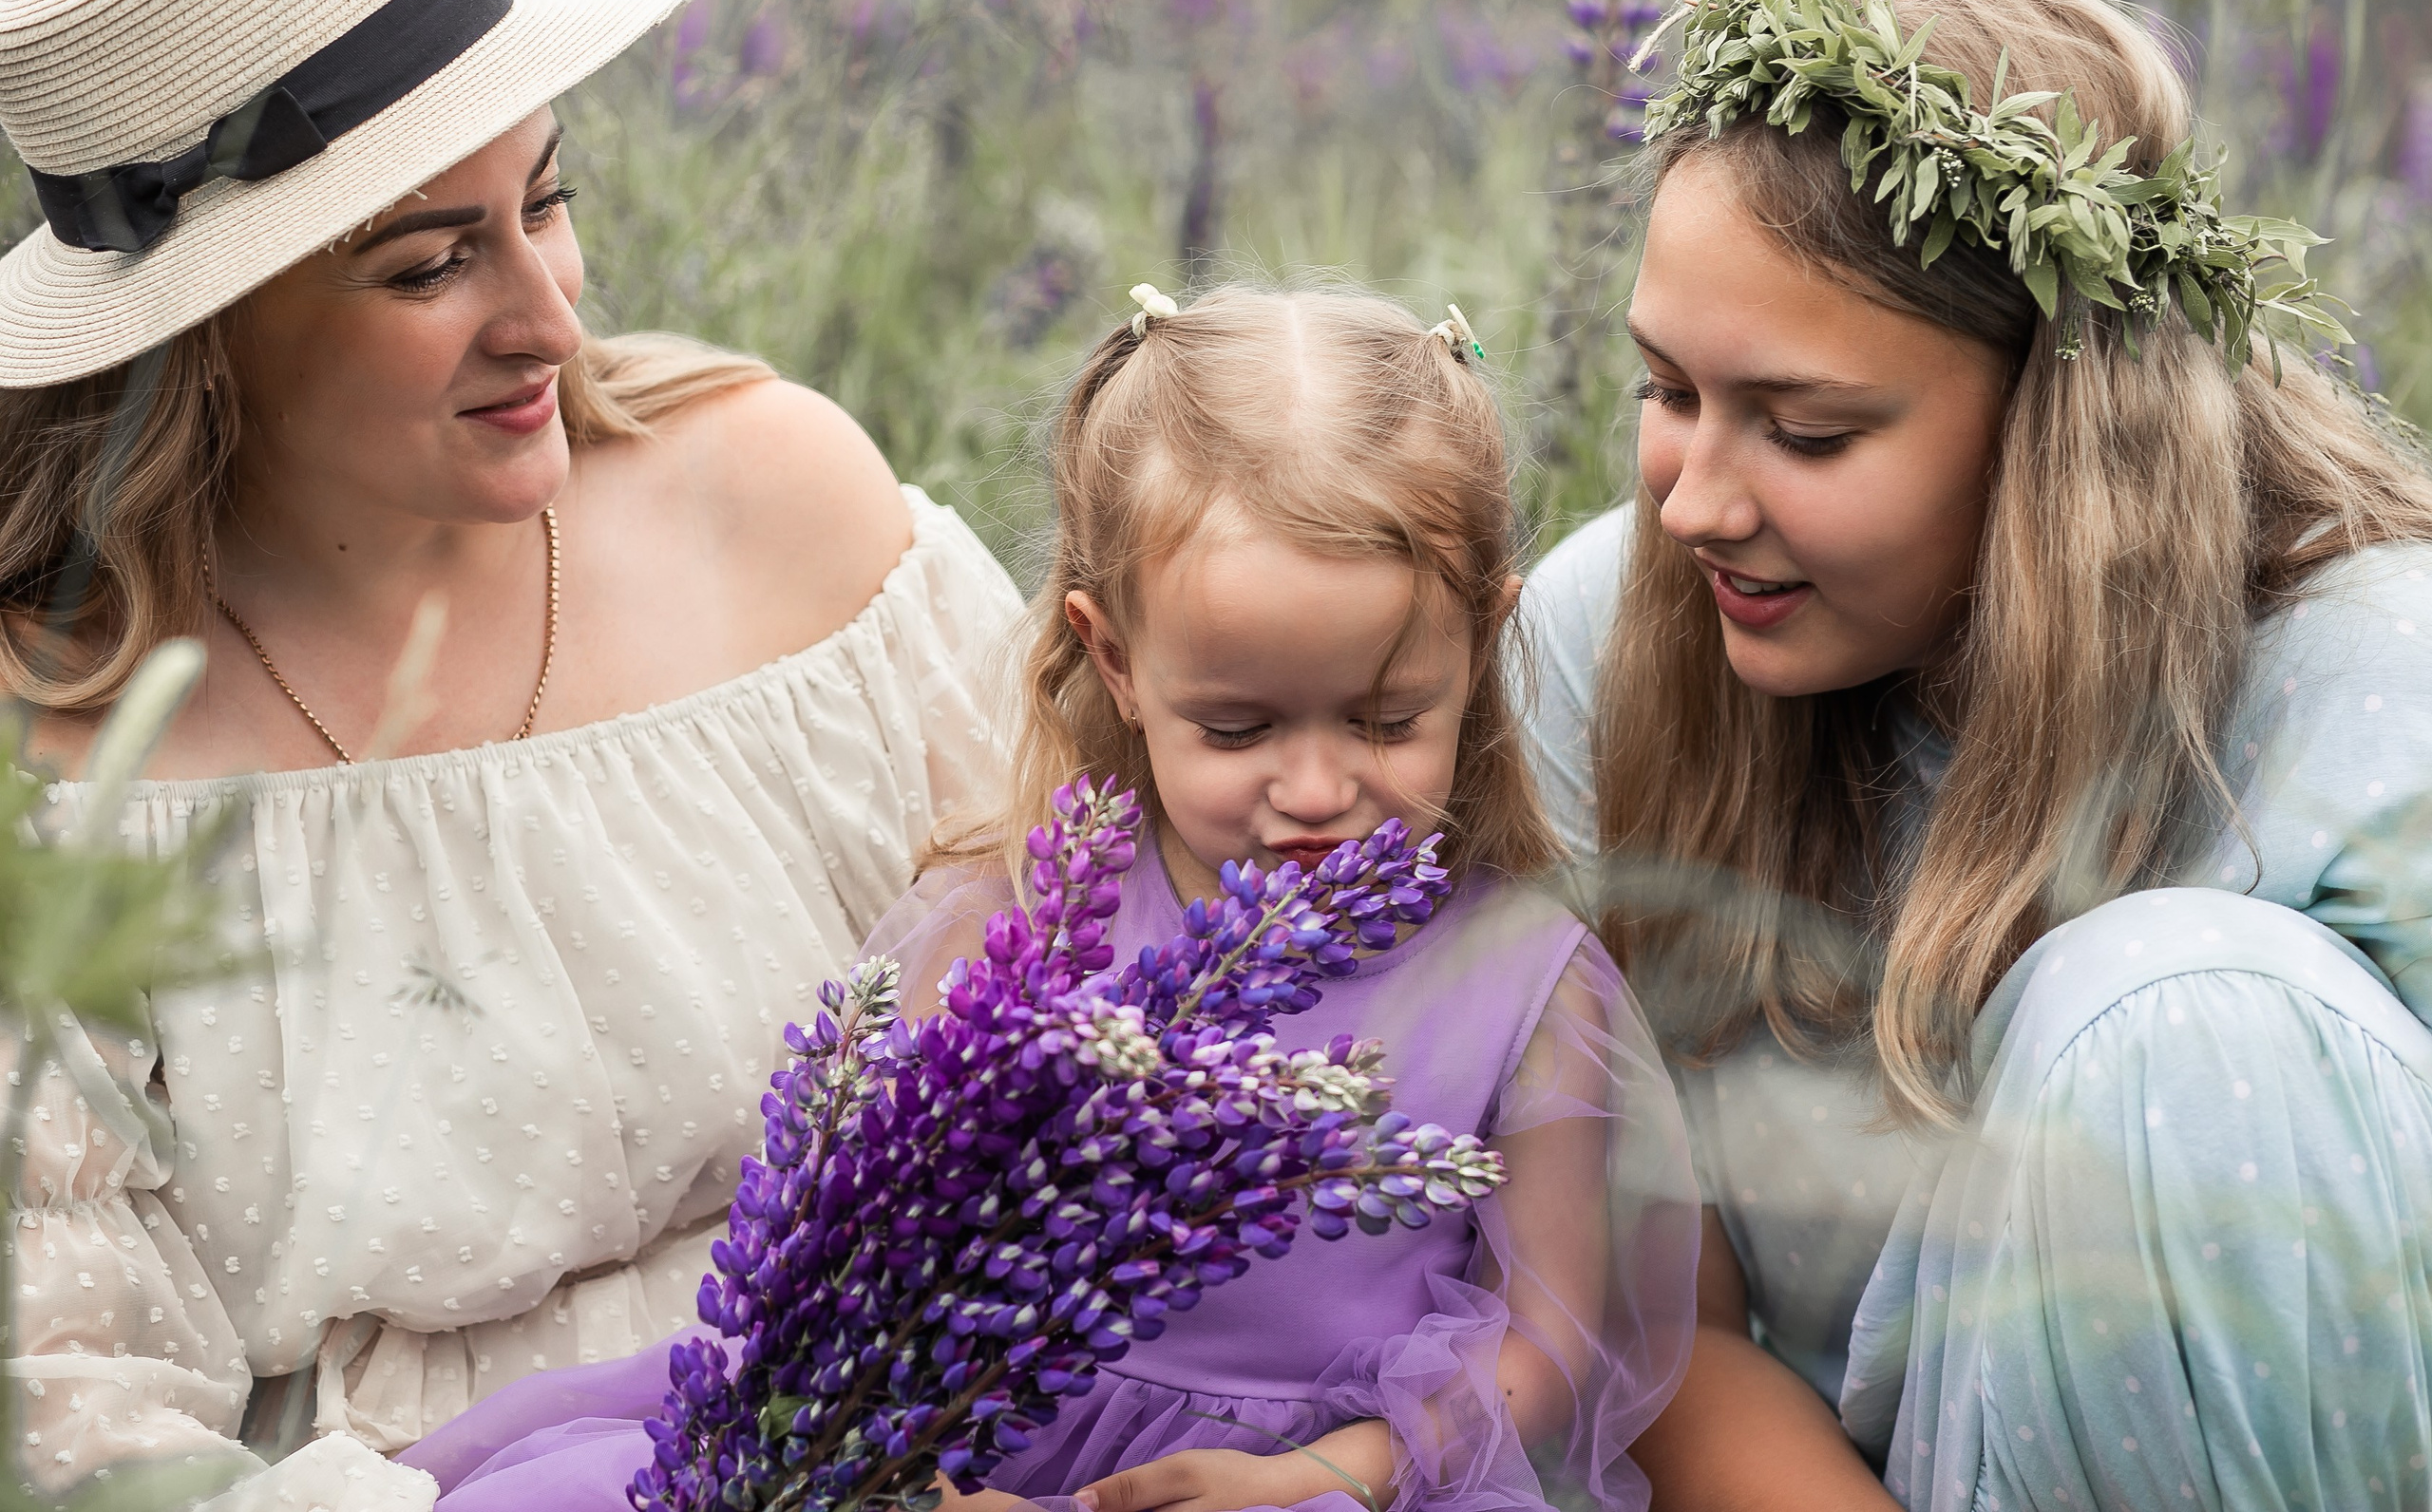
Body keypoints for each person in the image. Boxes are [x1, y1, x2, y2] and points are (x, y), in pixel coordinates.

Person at [0, 0, 1020, 1507]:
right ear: (199, 339)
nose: (550, 313)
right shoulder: (62, 761)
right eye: (429, 264)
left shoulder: (785, 510)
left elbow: (1091, 999)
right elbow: (66, 1405)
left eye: (544, 200)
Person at [398, 282, 1702, 1512]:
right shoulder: (1020, 919)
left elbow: (1548, 1342)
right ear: (1114, 659)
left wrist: (1330, 1476)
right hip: (952, 1448)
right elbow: (864, 1247)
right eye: (1238, 728)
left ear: (1483, 642)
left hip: (1301, 1482)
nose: (1316, 788)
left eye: (1384, 717)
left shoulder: (1526, 979)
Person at [1523, 0, 2432, 1512]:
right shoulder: (1611, 635)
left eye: (1804, 430)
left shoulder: (2366, 689)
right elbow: (1630, 1295)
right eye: (1668, 391)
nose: (1694, 502)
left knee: (2167, 1019)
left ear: (2060, 429)